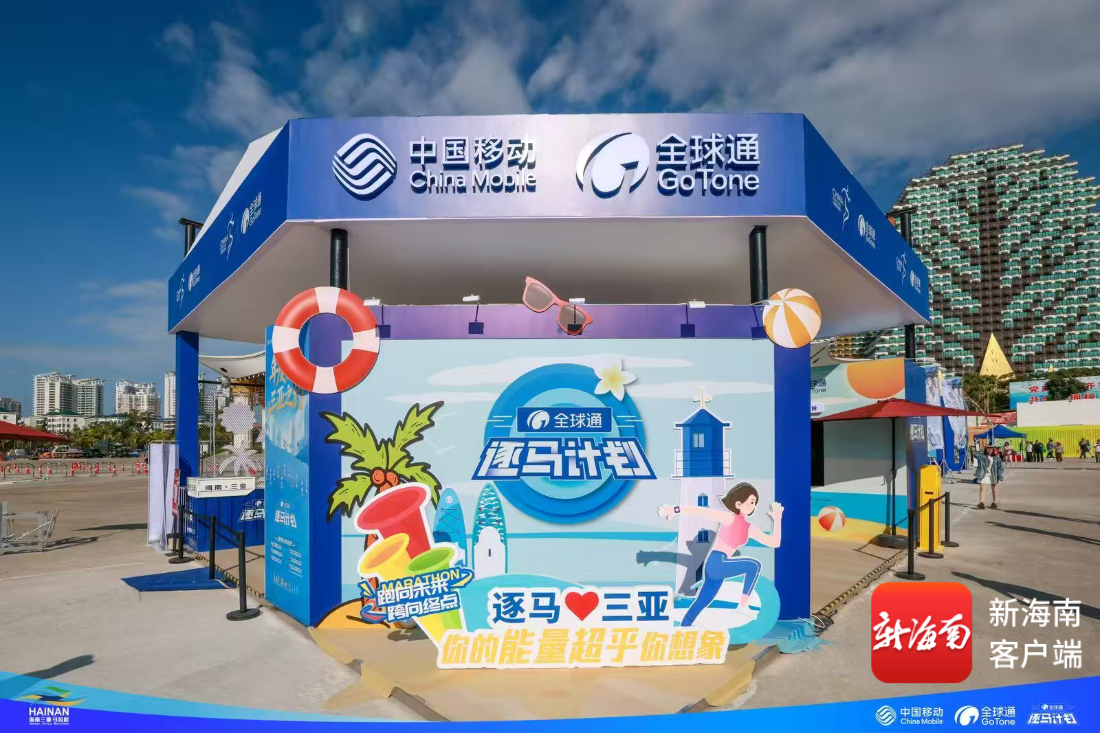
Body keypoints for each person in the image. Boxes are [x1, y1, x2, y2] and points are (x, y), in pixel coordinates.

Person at [658, 482, 782, 626]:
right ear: (738, 503)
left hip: (719, 567)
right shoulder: (729, 518)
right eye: (750, 502)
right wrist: (675, 509)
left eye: (754, 503)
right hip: (716, 562)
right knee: (754, 565)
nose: (752, 506)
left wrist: (777, 519)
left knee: (701, 602)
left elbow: (774, 543)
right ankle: (743, 606)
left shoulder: (749, 528)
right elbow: (701, 511)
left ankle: (684, 627)